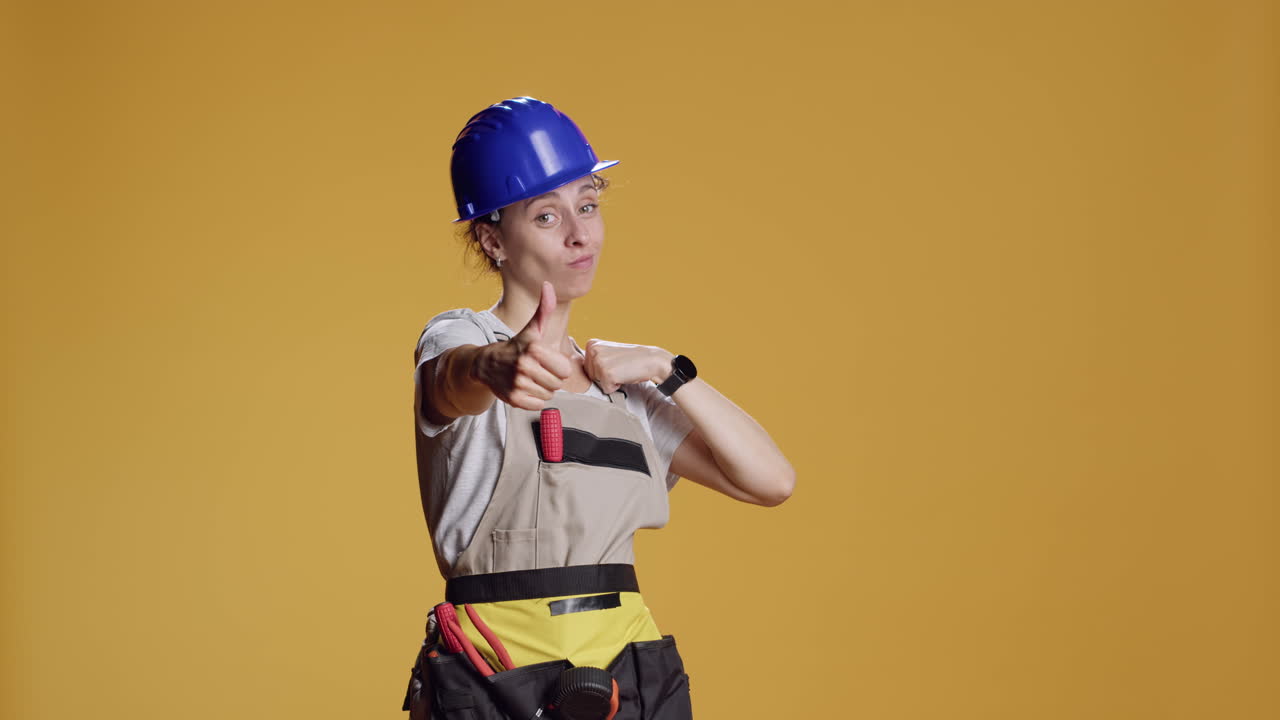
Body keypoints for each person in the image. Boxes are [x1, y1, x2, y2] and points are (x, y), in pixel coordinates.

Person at [402, 96, 795, 720]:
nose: (581, 233)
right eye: (547, 216)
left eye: (587, 205)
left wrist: (670, 369)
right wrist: (497, 366)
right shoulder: (459, 339)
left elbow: (770, 481)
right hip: (499, 672)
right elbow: (452, 383)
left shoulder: (623, 392)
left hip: (628, 673)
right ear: (491, 238)